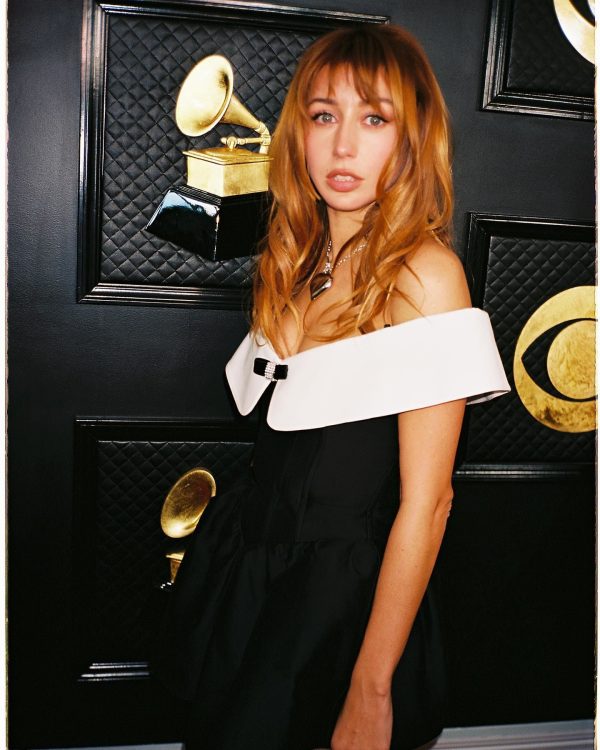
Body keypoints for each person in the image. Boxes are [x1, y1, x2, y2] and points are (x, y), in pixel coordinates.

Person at [154, 23, 510, 750]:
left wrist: (371, 687)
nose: (343, 145)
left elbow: (429, 503)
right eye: (324, 116)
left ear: (411, 139)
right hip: (246, 569)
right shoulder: (297, 255)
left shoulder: (426, 276)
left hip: (337, 602)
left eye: (374, 119)